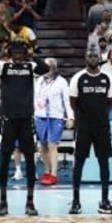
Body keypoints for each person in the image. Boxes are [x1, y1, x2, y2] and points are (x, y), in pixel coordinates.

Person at [0, 40, 48, 217]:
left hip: (26, 118)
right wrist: (2, 52)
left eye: (21, 51)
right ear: (11, 53)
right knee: (5, 158)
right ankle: (3, 202)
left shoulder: (29, 67)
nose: (19, 54)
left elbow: (44, 69)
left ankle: (30, 202)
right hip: (8, 119)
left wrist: (32, 55)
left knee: (29, 158)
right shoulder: (4, 66)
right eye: (16, 51)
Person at [68, 49, 112, 215]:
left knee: (104, 163)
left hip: (102, 127)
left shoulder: (107, 78)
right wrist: (84, 117)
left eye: (95, 56)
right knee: (79, 163)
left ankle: (104, 201)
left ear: (100, 58)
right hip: (83, 127)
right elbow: (73, 102)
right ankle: (76, 201)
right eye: (89, 55)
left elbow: (111, 102)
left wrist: (101, 115)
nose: (92, 58)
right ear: (85, 58)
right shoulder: (78, 78)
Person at [34, 57, 74, 186]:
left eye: (50, 66)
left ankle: (54, 174)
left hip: (55, 116)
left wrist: (70, 117)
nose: (48, 68)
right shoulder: (39, 80)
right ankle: (47, 170)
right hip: (40, 116)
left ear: (54, 68)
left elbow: (67, 101)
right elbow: (35, 98)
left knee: (52, 145)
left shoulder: (61, 82)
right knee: (42, 146)